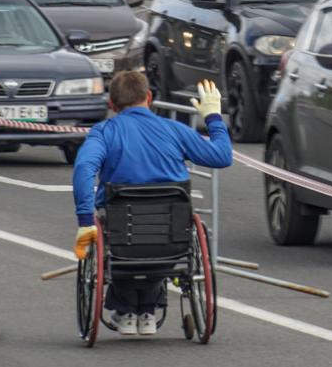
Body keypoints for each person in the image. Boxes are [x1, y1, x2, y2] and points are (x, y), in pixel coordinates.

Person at [72, 72, 232, 336]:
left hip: (122, 229)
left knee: (122, 238)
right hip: (171, 232)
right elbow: (222, 156)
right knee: (161, 232)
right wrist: (213, 116)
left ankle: (127, 309)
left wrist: (85, 221)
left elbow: (84, 169)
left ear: (112, 104)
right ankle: (146, 309)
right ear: (149, 98)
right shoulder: (174, 130)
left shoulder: (104, 132)